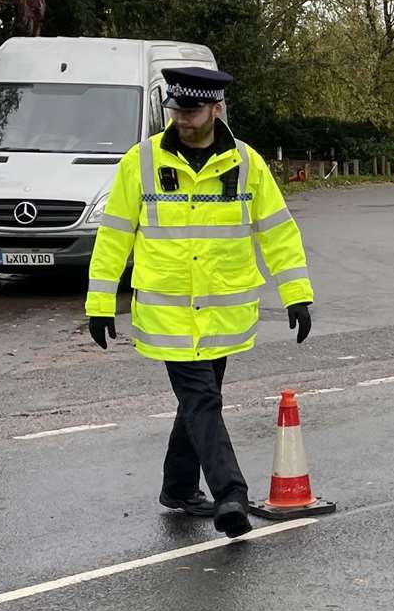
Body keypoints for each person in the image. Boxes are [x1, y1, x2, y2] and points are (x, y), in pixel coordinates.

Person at [83, 67, 315, 537]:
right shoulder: (141, 162)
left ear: (216, 109)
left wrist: (297, 295)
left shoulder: (245, 164)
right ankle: (232, 493)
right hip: (167, 316)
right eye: (176, 110)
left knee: (198, 402)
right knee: (202, 399)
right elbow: (114, 237)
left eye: (190, 111)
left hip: (223, 315)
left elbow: (277, 231)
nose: (182, 120)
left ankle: (178, 487)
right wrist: (100, 301)